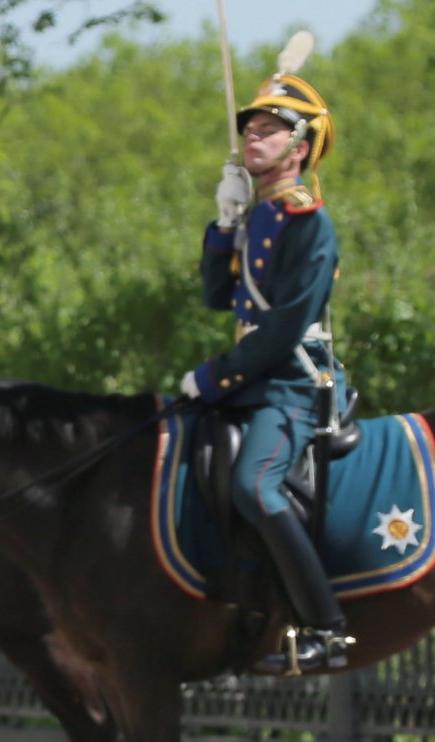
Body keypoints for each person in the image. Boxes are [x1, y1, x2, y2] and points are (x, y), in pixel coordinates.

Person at [176, 54, 351, 675]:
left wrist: (216, 374)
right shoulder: (262, 214)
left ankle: (326, 629)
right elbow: (218, 298)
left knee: (255, 484)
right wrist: (224, 226)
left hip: (291, 386)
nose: (252, 135)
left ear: (300, 146)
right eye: (250, 127)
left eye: (269, 128)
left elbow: (280, 332)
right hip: (256, 379)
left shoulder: (310, 222)